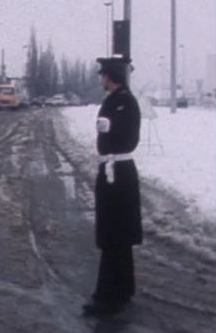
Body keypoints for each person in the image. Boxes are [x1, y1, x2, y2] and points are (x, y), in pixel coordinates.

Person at [83, 59, 142, 317]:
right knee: (118, 235)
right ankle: (123, 289)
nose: (101, 79)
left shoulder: (124, 101)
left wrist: (109, 130)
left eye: (103, 75)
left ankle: (107, 298)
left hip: (116, 173)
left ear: (111, 76)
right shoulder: (119, 99)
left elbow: (124, 137)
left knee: (113, 235)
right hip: (115, 172)